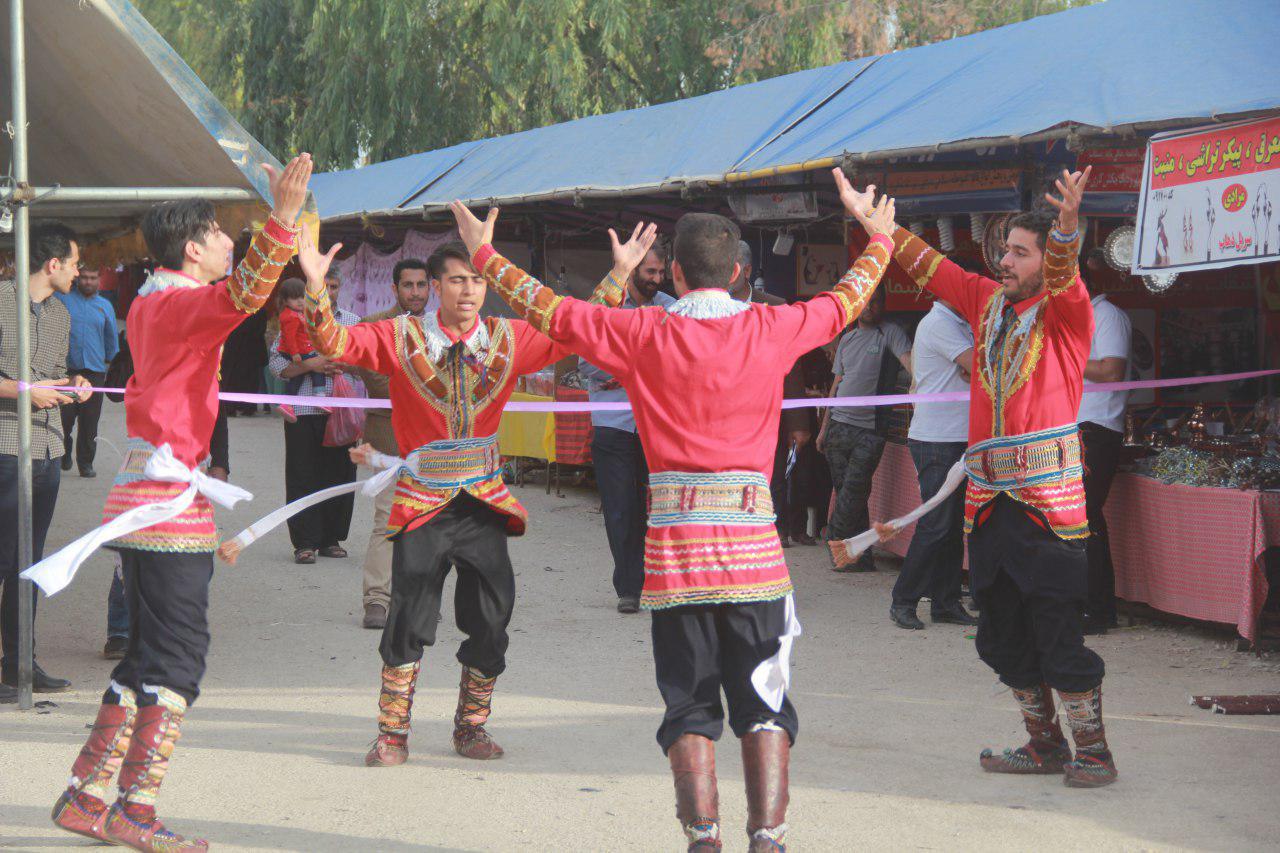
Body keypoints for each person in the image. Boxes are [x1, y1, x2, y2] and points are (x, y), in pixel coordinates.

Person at [452, 183, 897, 851]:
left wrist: (484, 254)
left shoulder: (642, 330)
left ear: (677, 273)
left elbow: (550, 310)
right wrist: (881, 238)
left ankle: (703, 837)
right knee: (765, 702)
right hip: (756, 560)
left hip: (676, 558)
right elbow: (846, 300)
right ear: (739, 272)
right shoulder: (770, 328)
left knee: (689, 703)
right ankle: (769, 838)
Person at [48, 154, 310, 849]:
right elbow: (244, 298)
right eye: (223, 235)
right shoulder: (174, 303)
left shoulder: (157, 302)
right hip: (166, 500)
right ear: (192, 248)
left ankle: (87, 794)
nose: (232, 243)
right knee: (177, 659)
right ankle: (133, 808)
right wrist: (281, 223)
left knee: (147, 654)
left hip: (158, 491)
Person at [300, 237, 636, 767]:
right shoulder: (400, 335)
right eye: (458, 280)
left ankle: (471, 726)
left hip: (484, 501)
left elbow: (574, 327)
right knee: (408, 615)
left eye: (478, 280)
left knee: (491, 616)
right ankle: (392, 733)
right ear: (434, 287)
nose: (469, 291)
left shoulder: (510, 337)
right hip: (422, 498)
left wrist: (616, 276)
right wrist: (316, 287)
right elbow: (336, 341)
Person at [858, 165, 1118, 787]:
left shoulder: (1066, 312)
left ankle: (1096, 754)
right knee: (999, 632)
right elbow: (934, 271)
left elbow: (1061, 272)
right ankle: (1044, 745)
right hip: (989, 503)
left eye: (1018, 252)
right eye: (1004, 249)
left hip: (1049, 505)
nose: (1005, 260)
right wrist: (882, 229)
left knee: (1057, 629)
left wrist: (1066, 229)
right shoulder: (986, 303)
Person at [0, 222, 90, 702]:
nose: (79, 271)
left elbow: (54, 373)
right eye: (75, 263)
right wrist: (20, 391)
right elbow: (23, 385)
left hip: (49, 448)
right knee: (4, 557)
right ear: (52, 264)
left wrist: (74, 381)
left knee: (29, 561)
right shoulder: (0, 299)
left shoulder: (60, 314)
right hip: (6, 447)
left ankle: (19, 665)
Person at [579, 242, 674, 613]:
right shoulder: (604, 306)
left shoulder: (670, 307)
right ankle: (629, 588)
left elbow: (676, 361)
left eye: (660, 272)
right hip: (613, 425)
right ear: (631, 268)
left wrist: (624, 367)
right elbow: (588, 366)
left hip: (658, 425)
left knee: (665, 506)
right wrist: (639, 369)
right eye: (650, 271)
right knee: (621, 509)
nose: (656, 279)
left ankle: (661, 580)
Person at [889, 295, 977, 629]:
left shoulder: (961, 324)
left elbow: (974, 368)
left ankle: (946, 602)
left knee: (952, 524)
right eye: (963, 287)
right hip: (937, 439)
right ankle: (904, 599)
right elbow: (980, 365)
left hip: (957, 436)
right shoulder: (940, 323)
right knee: (936, 522)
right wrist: (974, 367)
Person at [355, 258, 432, 629]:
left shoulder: (443, 328)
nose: (415, 292)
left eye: (421, 285)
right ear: (395, 289)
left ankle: (416, 599)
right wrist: (430, 389)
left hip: (433, 444)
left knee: (425, 523)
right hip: (387, 440)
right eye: (408, 285)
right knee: (387, 520)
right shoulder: (374, 328)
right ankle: (377, 600)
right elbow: (377, 383)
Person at [816, 285, 911, 571]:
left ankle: (835, 543)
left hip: (870, 429)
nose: (871, 307)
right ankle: (861, 556)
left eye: (877, 302)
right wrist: (824, 428)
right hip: (838, 427)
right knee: (848, 489)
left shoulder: (891, 333)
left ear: (884, 305)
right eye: (866, 303)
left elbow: (912, 364)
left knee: (853, 491)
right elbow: (836, 385)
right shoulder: (847, 339)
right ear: (858, 306)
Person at [269, 273, 359, 565]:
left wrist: (340, 364)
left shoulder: (352, 322)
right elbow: (277, 364)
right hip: (303, 412)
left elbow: (366, 363)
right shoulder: (295, 318)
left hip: (341, 412)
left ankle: (331, 539)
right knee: (302, 476)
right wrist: (312, 364)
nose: (329, 292)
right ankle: (304, 543)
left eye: (333, 286)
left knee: (339, 475)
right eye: (323, 287)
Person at [729, 241, 813, 548]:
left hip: (767, 412)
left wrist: (798, 421)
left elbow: (791, 365)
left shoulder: (775, 307)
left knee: (773, 479)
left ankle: (771, 540)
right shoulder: (708, 304)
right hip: (724, 414)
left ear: (748, 270)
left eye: (732, 267)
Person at [1077, 281, 1131, 635]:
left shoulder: (1107, 315)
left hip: (1097, 429)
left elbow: (1112, 370)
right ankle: (1087, 604)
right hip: (1074, 427)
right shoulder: (1077, 317)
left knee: (1086, 517)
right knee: (1076, 518)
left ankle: (1097, 610)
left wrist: (1066, 357)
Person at [56, 265, 119, 477]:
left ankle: (85, 463)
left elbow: (112, 341)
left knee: (89, 422)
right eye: (84, 277)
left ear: (99, 280)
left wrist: (114, 371)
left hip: (94, 372)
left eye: (93, 278)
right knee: (63, 418)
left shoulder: (105, 306)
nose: (88, 282)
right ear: (78, 278)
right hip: (66, 371)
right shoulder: (63, 300)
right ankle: (62, 453)